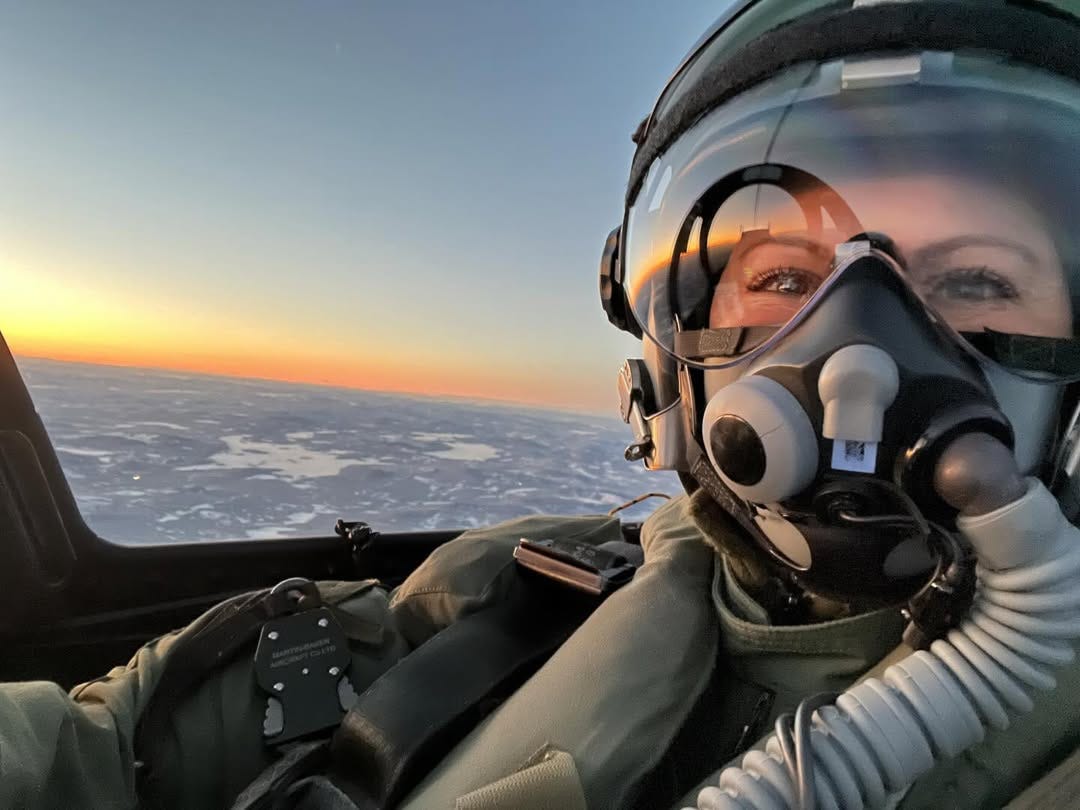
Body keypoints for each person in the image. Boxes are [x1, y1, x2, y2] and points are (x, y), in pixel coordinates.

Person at [5, 1, 1080, 808]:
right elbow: (102, 751)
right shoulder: (527, 588)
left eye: (977, 279)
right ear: (666, 351)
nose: (858, 352)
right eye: (787, 280)